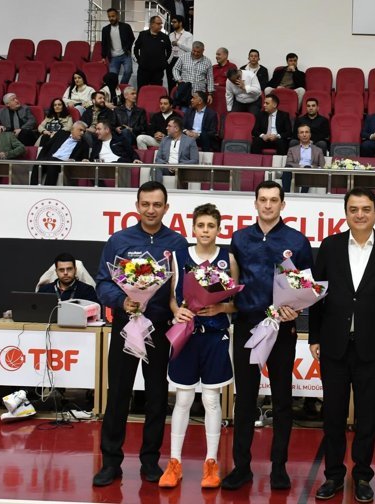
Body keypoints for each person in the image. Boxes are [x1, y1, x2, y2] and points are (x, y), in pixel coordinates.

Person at [308, 187, 375, 503]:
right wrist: (314, 336)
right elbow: (316, 295)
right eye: (353, 209)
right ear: (346, 213)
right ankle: (334, 475)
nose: (359, 214)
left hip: (372, 347)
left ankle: (362, 476)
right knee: (332, 416)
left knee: (367, 417)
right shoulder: (330, 246)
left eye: (365, 209)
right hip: (334, 344)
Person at [92, 181, 188, 487]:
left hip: (160, 328)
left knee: (157, 396)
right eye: (145, 204)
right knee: (118, 393)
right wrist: (123, 300)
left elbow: (184, 287)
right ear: (137, 206)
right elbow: (102, 283)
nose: (151, 210)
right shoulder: (119, 240)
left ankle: (150, 460)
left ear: (166, 208)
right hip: (125, 326)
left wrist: (181, 307)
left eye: (157, 205)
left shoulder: (177, 242)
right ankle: (110, 462)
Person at [221, 180, 314, 492]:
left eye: (274, 200)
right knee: (244, 398)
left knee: (282, 398)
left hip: (282, 327)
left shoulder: (297, 241)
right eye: (263, 200)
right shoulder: (238, 239)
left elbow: (306, 288)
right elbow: (232, 283)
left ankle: (279, 468)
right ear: (256, 203)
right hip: (248, 325)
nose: (268, 205)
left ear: (283, 204)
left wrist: (296, 310)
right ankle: (242, 467)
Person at [160, 203, 238, 489]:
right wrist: (175, 311)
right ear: (193, 228)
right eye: (201, 226)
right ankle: (174, 461)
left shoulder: (227, 258)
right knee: (182, 399)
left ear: (219, 229)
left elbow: (235, 302)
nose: (206, 231)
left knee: (211, 400)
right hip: (186, 334)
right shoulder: (180, 256)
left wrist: (219, 308)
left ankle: (211, 462)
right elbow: (171, 296)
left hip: (215, 336)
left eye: (211, 226)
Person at [32, 121, 90, 186]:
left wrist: (84, 160)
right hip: (50, 158)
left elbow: (85, 158)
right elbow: (46, 147)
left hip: (64, 164)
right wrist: (40, 159)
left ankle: (48, 190)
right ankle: (32, 189)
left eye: (84, 131)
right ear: (72, 129)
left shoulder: (84, 144)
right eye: (80, 130)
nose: (82, 133)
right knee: (38, 163)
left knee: (53, 163)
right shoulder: (61, 134)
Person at [89, 119, 140, 186]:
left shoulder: (120, 140)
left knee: (120, 163)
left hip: (119, 164)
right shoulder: (96, 144)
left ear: (107, 130)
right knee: (92, 169)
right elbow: (92, 159)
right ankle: (103, 191)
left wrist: (135, 159)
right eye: (96, 129)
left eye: (99, 129)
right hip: (103, 167)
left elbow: (131, 152)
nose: (96, 131)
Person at [153, 116, 199, 181]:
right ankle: (158, 189)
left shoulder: (190, 141)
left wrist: (178, 166)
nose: (166, 128)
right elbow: (158, 159)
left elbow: (195, 160)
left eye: (169, 126)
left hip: (182, 169)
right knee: (156, 167)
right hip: (167, 168)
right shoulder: (164, 140)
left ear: (176, 128)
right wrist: (167, 165)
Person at [172, 41, 214, 110]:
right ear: (192, 48)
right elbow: (175, 69)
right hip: (185, 91)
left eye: (198, 52)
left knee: (198, 113)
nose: (196, 53)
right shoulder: (183, 57)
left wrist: (210, 94)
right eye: (194, 51)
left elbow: (210, 78)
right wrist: (178, 79)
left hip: (199, 93)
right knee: (185, 113)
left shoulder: (207, 61)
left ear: (203, 51)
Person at [282, 124, 324, 192]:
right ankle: (285, 194)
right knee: (287, 168)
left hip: (310, 172)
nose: (304, 135)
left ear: (310, 134)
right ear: (298, 136)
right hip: (295, 171)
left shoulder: (318, 150)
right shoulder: (292, 149)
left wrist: (310, 167)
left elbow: (322, 166)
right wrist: (301, 166)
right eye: (302, 132)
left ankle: (303, 194)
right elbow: (289, 163)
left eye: (306, 132)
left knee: (307, 168)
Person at [133, 16, 172, 88]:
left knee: (156, 91)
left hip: (158, 71)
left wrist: (164, 62)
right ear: (151, 24)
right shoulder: (142, 35)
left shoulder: (165, 37)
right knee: (142, 91)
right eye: (158, 23)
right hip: (143, 70)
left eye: (161, 24)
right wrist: (139, 60)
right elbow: (135, 48)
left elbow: (170, 51)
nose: (160, 26)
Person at [101, 7, 135, 86]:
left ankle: (122, 86)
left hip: (125, 54)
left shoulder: (126, 27)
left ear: (117, 16)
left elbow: (132, 39)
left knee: (128, 71)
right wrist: (103, 56)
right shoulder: (105, 29)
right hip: (113, 57)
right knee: (113, 76)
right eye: (109, 17)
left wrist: (129, 49)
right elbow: (104, 43)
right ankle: (116, 90)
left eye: (113, 16)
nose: (111, 18)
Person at [166, 15, 193, 93]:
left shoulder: (188, 35)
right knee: (170, 82)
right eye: (172, 22)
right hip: (171, 60)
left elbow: (190, 49)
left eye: (174, 22)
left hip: (183, 61)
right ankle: (171, 100)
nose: (172, 24)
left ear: (180, 23)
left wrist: (178, 44)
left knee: (181, 82)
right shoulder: (170, 35)